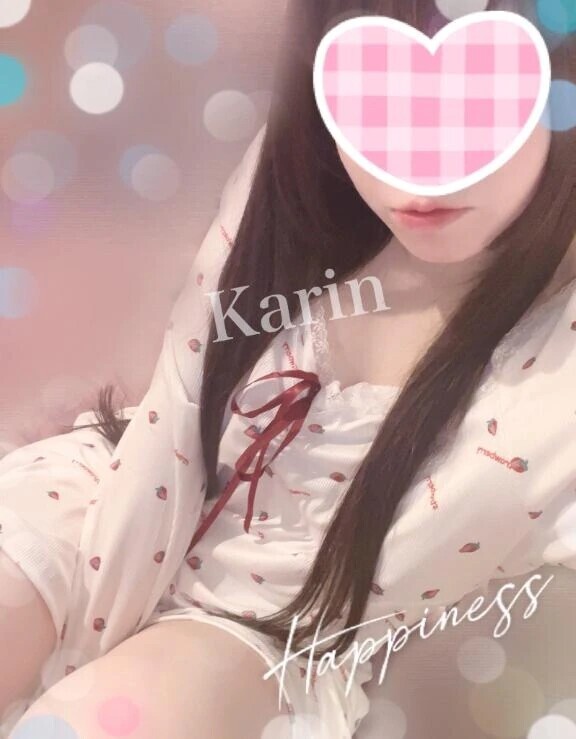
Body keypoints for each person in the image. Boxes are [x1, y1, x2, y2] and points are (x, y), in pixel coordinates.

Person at [2, 0, 576, 737]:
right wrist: (94, 617)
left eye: (481, 100)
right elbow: (176, 407)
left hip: (269, 630)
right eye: (373, 95)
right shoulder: (297, 193)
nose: (417, 168)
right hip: (111, 490)